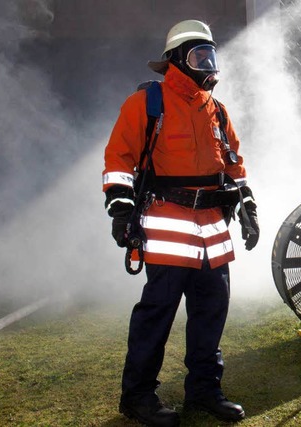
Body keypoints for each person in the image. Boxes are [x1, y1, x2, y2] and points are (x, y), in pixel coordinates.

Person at [102, 19, 259, 427]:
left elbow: (234, 165)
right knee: (156, 315)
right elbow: (119, 158)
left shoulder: (217, 111)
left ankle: (205, 390)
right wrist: (120, 209)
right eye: (198, 55)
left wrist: (248, 208)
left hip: (212, 231)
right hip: (169, 229)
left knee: (211, 314)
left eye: (211, 54)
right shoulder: (146, 103)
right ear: (176, 60)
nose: (208, 64)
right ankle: (137, 396)